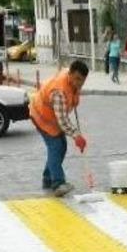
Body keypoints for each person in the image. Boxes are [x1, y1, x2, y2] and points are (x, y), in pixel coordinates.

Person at [29, 61, 89, 197]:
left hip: (52, 116)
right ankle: (58, 183)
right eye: (77, 79)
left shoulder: (71, 79)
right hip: (41, 116)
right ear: (70, 74)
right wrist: (77, 136)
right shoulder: (58, 92)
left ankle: (47, 178)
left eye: (83, 81)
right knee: (56, 147)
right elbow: (62, 121)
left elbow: (64, 114)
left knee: (61, 146)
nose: (80, 83)